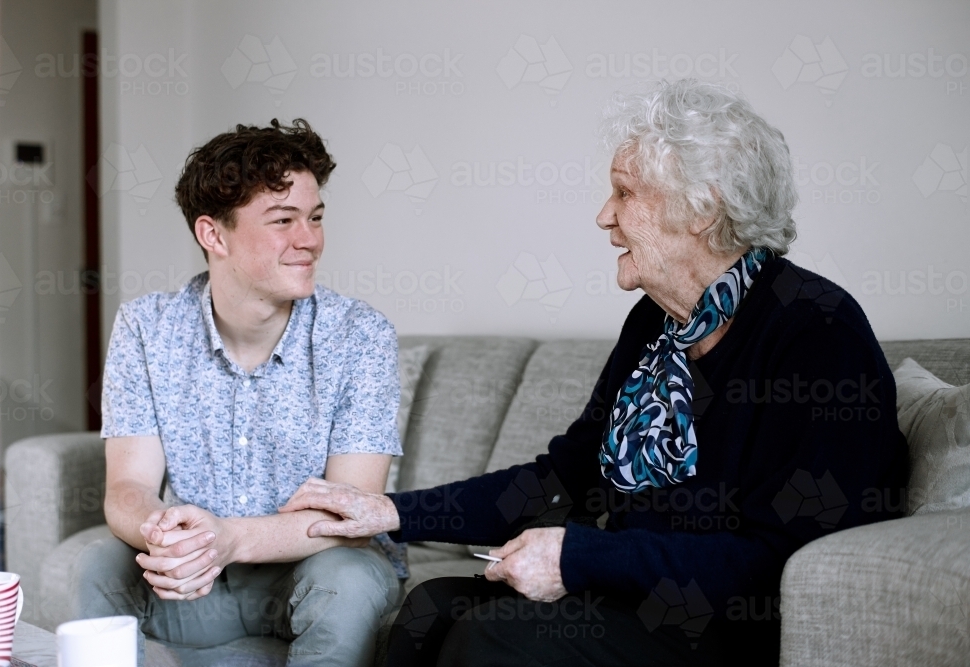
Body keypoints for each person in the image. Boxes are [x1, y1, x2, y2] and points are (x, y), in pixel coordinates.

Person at [279, 80, 909, 666]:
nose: (604, 216)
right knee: (429, 610)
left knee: (490, 635)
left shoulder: (815, 329)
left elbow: (783, 557)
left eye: (625, 192)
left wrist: (579, 556)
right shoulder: (655, 324)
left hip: (729, 620)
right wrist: (387, 510)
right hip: (637, 594)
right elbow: (561, 480)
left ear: (703, 210)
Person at [74, 119, 404, 667]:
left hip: (310, 577)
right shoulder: (146, 328)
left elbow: (353, 511)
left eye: (315, 218)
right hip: (198, 588)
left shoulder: (360, 335)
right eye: (283, 220)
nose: (310, 240)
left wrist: (228, 537)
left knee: (351, 576)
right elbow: (128, 487)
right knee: (98, 564)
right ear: (213, 235)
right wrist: (167, 535)